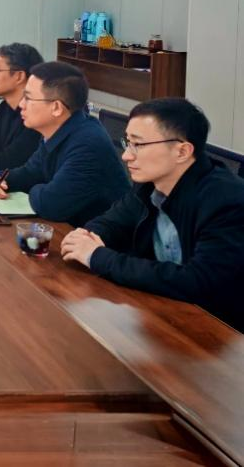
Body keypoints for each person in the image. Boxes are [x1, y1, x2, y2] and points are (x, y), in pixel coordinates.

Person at [62, 98, 244, 331]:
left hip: (217, 331)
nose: (126, 155)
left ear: (182, 151)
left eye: (138, 144)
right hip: (158, 311)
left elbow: (197, 282)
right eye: (127, 143)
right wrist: (86, 238)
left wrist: (97, 256)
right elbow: (111, 222)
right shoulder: (149, 184)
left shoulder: (226, 201)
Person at [0, 61, 129, 227]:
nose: (21, 105)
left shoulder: (88, 144)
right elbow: (29, 173)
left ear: (56, 108)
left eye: (28, 98)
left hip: (98, 239)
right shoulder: (56, 131)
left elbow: (51, 205)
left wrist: (35, 187)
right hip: (69, 231)